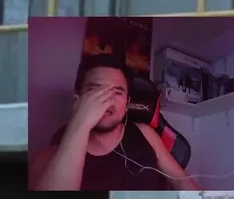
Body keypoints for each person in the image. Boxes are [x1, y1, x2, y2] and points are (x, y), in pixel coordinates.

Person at [29, 54, 200, 191]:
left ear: (127, 104)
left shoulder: (145, 133)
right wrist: (81, 122)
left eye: (117, 92)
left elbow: (180, 180)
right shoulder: (54, 155)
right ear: (77, 101)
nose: (107, 100)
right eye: (96, 90)